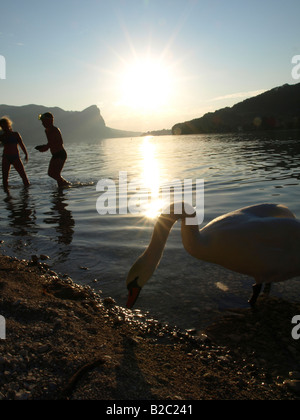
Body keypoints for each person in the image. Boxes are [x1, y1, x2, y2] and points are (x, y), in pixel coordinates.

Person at [36, 112, 70, 188]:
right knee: (51, 173)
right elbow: (50, 142)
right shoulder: (47, 130)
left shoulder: (54, 130)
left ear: (50, 121)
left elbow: (60, 142)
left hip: (60, 154)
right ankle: (63, 186)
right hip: (55, 154)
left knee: (54, 174)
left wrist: (46, 147)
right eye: (42, 122)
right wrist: (45, 147)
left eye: (44, 121)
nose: (42, 124)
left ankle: (64, 185)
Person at [0, 116, 30, 192]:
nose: (4, 127)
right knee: (4, 178)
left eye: (5, 125)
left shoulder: (15, 134)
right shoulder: (2, 136)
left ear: (8, 125)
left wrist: (26, 154)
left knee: (24, 177)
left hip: (15, 157)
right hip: (6, 157)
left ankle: (27, 194)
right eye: (2, 126)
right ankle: (7, 196)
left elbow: (22, 145)